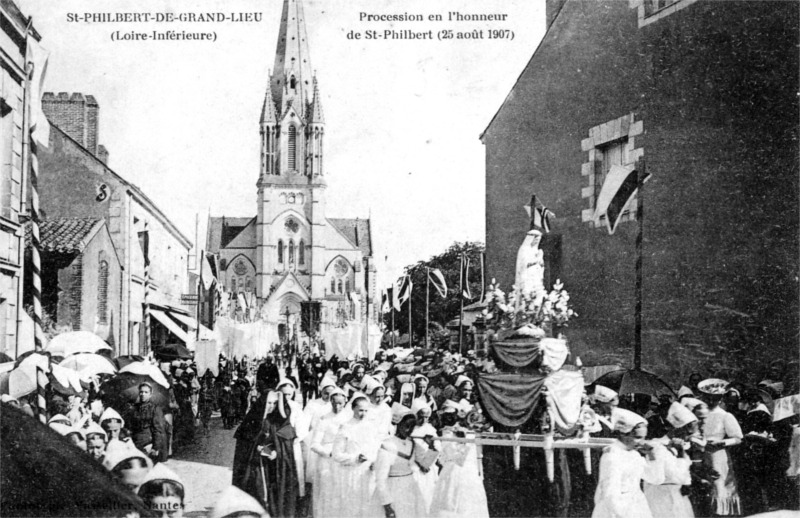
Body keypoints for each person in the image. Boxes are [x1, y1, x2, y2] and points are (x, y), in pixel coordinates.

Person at [233, 390, 299, 517]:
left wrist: (275, 452)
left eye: (275, 403)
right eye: (269, 403)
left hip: (273, 469)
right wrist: (258, 449)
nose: (272, 406)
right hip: (255, 468)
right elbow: (246, 446)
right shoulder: (251, 422)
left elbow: (285, 444)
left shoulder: (278, 422)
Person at [591, 408, 664, 518]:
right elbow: (610, 494)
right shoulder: (612, 456)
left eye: (644, 438)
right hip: (616, 510)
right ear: (624, 434)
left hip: (637, 506)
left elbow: (656, 479)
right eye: (637, 437)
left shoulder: (634, 455)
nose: (642, 442)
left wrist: (652, 455)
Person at [429, 402, 489, 518]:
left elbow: (476, 455)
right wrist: (463, 440)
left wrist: (480, 473)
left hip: (470, 473)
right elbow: (456, 458)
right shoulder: (448, 433)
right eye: (447, 416)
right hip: (453, 473)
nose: (450, 418)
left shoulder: (471, 432)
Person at [698, 378, 743, 516]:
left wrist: (722, 443)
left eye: (715, 398)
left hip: (716, 454)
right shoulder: (698, 414)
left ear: (721, 398)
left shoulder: (725, 416)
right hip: (699, 453)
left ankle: (722, 513)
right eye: (708, 397)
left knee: (719, 484)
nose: (711, 401)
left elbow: (738, 438)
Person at [332, 395, 382, 518]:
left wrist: (375, 461)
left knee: (367, 506)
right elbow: (336, 454)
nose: (363, 413)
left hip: (368, 473)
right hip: (351, 473)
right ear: (353, 409)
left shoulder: (372, 427)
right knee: (351, 507)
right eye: (360, 410)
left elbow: (376, 449)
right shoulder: (346, 427)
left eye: (366, 410)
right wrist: (355, 458)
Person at [643, 402, 696, 518]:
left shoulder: (680, 447)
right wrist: (681, 454)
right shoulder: (657, 446)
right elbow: (675, 475)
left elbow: (685, 475)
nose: (687, 436)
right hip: (660, 496)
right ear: (674, 429)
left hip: (676, 496)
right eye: (686, 432)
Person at [374, 410, 429, 518]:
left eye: (412, 427)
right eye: (406, 426)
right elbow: (380, 479)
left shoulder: (412, 443)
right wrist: (387, 506)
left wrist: (431, 446)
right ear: (398, 425)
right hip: (394, 491)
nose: (409, 430)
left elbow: (426, 464)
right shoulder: (387, 445)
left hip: (411, 489)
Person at [310, 387, 349, 518]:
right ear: (330, 402)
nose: (337, 406)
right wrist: (329, 453)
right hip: (327, 460)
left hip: (344, 460)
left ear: (345, 402)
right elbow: (314, 444)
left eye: (340, 403)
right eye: (334, 403)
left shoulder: (348, 418)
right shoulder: (324, 419)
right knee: (326, 493)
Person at [128, 382, 168, 463]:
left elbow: (158, 430)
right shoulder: (134, 408)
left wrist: (155, 447)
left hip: (148, 443)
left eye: (146, 392)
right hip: (135, 442)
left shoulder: (155, 409)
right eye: (141, 392)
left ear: (150, 394)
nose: (143, 394)